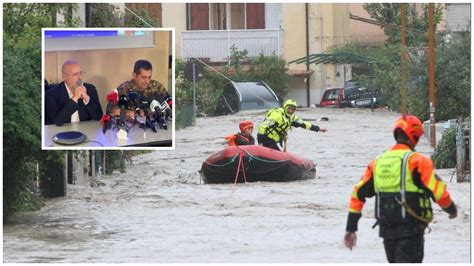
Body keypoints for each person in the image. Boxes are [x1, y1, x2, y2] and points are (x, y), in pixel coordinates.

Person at [343, 114, 458, 263]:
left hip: (386, 232)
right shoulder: (418, 161)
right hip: (412, 231)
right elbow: (438, 192)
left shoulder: (377, 163)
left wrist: (351, 228)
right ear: (415, 137)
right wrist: (451, 210)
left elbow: (357, 194)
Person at [45, 60, 103, 126]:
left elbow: (99, 117)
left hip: (85, 131)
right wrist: (75, 98)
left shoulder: (90, 89)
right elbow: (57, 122)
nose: (80, 77)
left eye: (80, 73)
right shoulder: (51, 94)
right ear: (64, 77)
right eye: (75, 74)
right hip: (61, 133)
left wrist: (86, 98)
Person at [257, 99, 327, 151]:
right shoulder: (276, 115)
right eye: (289, 108)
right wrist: (260, 143)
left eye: (293, 109)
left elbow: (304, 125)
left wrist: (319, 129)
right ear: (285, 107)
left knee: (280, 155)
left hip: (274, 141)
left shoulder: (293, 118)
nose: (290, 111)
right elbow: (262, 127)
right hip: (266, 139)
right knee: (279, 157)